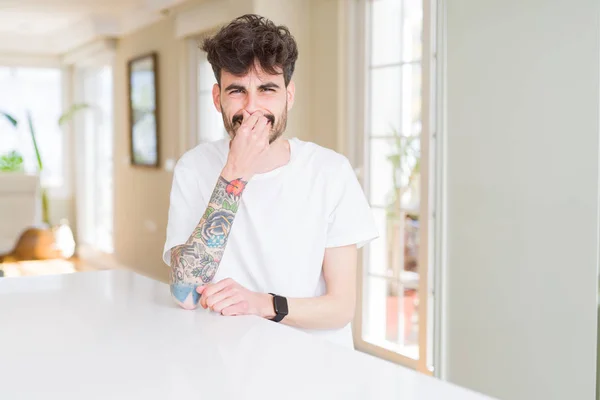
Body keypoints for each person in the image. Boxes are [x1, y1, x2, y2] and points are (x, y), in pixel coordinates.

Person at [163, 14, 378, 349]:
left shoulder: (330, 172)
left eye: (267, 89)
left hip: (315, 368)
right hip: (226, 361)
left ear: (288, 96)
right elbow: (185, 293)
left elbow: (340, 309)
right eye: (237, 90)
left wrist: (262, 304)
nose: (252, 108)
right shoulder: (194, 168)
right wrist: (234, 174)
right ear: (217, 97)